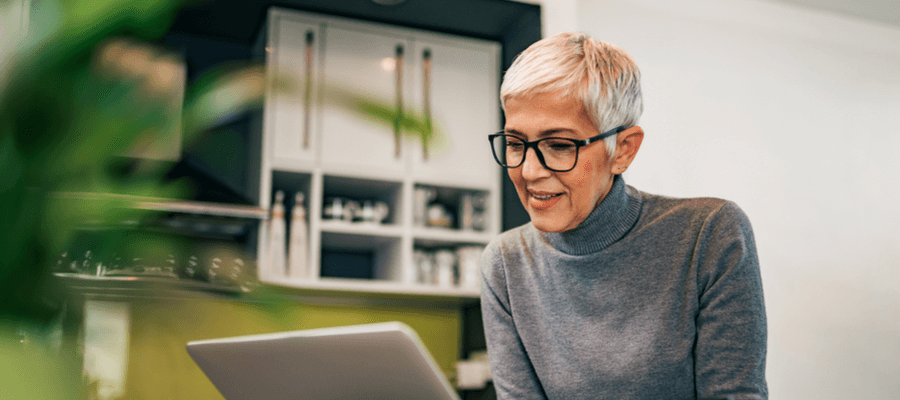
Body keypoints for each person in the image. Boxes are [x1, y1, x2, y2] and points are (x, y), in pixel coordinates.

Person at [480, 32, 767, 400]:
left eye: (559, 145)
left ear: (623, 150)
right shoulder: (505, 264)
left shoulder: (709, 235)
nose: (530, 172)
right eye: (516, 144)